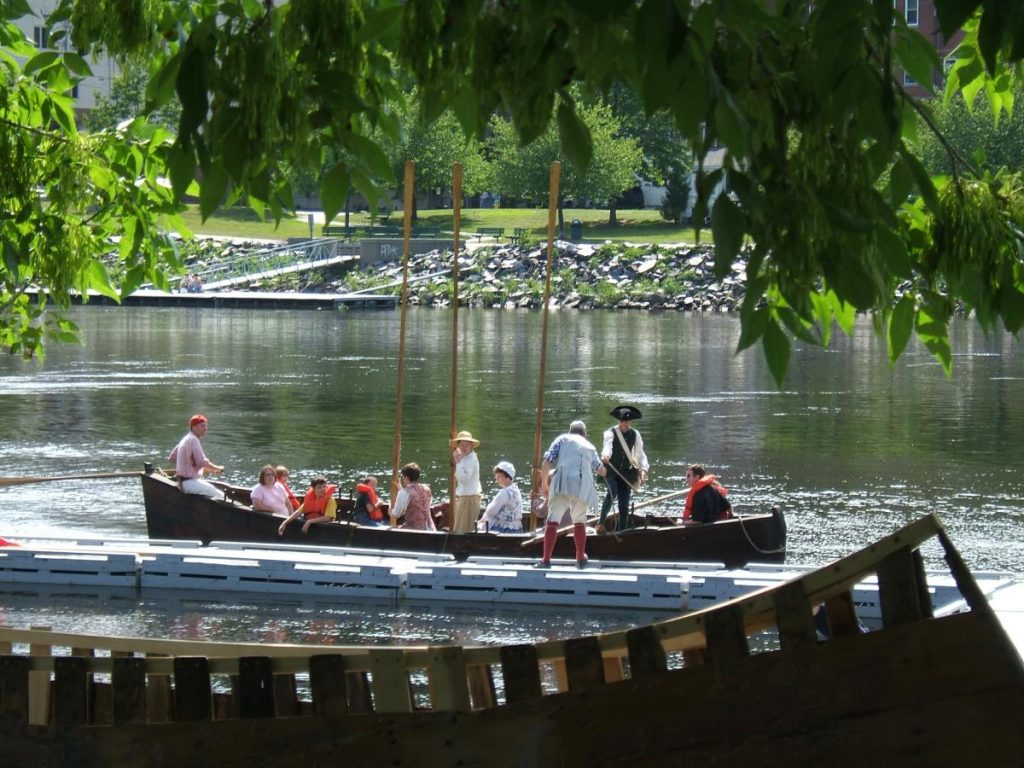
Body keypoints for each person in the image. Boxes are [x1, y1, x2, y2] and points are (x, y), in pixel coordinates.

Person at [537, 420, 606, 568]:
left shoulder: (561, 439)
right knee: (579, 521)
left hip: (562, 482)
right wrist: (605, 466)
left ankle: (546, 560)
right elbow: (601, 470)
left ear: (570, 431)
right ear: (584, 434)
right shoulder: (590, 447)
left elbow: (547, 461)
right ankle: (580, 557)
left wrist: (544, 484)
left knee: (553, 521)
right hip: (582, 485)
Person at [600, 404, 649, 533]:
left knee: (624, 504)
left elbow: (640, 454)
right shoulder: (610, 433)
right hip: (611, 471)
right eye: (623, 422)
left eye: (627, 422)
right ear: (619, 421)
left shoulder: (635, 435)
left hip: (627, 474)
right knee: (612, 492)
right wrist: (606, 455)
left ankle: (622, 531)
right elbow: (607, 446)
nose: (625, 424)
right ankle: (600, 523)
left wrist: (643, 471)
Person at [168, 414, 224, 498]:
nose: (205, 428)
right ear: (193, 427)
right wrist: (218, 468)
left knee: (213, 491)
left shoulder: (186, 438)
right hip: (188, 482)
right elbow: (202, 462)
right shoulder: (193, 440)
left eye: (206, 426)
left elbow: (172, 458)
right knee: (221, 496)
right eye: (202, 426)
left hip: (182, 481)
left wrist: (188, 466)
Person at [477, 461, 524, 534]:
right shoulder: (515, 489)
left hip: (505, 529)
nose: (496, 480)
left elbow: (491, 511)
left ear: (507, 477)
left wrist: (481, 521)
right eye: (496, 477)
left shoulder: (504, 493)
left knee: (482, 527)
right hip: (517, 529)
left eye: (499, 476)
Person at [451, 430, 482, 533]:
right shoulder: (465, 458)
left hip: (469, 500)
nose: (464, 447)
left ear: (471, 445)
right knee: (462, 528)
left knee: (463, 530)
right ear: (458, 445)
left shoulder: (471, 459)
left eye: (466, 445)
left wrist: (457, 462)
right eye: (462, 445)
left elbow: (464, 480)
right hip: (466, 498)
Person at [389, 463, 435, 530]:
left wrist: (390, 510)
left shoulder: (404, 493)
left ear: (406, 478)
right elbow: (416, 497)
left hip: (413, 530)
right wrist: (400, 488)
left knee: (391, 529)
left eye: (403, 477)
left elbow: (396, 514)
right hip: (430, 528)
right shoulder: (427, 489)